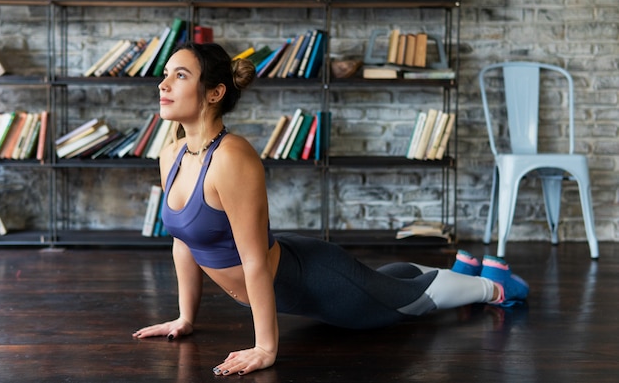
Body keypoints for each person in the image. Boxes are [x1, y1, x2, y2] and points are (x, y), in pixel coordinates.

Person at [132, 42, 529, 376]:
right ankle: (461, 273)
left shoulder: (232, 157)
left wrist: (266, 349)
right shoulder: (172, 154)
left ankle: (494, 286)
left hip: (309, 279)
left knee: (407, 303)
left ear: (214, 92)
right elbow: (183, 242)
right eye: (166, 74)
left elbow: (253, 263)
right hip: (291, 271)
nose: (163, 84)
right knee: (384, 284)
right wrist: (185, 318)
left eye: (179, 75)